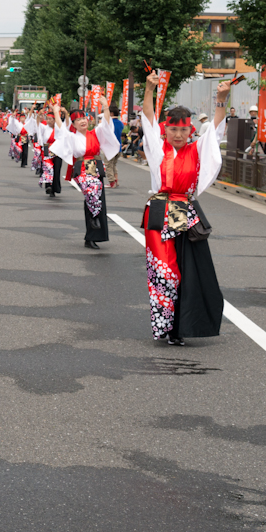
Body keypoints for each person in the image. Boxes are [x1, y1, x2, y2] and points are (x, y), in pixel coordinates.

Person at [140, 71, 229, 345]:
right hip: (159, 212)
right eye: (172, 129)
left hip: (185, 213)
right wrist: (148, 90)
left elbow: (214, 131)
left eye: (183, 129)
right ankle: (164, 326)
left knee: (189, 271)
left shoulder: (197, 149)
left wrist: (221, 100)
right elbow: (147, 117)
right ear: (165, 129)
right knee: (164, 272)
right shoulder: (157, 148)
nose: (178, 134)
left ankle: (182, 327)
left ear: (191, 130)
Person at [50, 96, 120, 250]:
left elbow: (107, 125)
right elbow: (61, 130)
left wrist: (106, 107)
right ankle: (94, 220)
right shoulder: (72, 137)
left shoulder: (96, 133)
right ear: (73, 124)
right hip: (82, 169)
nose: (82, 121)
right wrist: (56, 113)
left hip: (95, 167)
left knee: (96, 196)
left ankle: (93, 234)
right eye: (78, 120)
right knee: (92, 189)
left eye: (84, 118)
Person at [102, 104, 124, 188]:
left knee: (108, 165)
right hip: (118, 147)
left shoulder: (109, 123)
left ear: (110, 113)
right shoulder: (121, 123)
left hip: (110, 147)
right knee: (114, 164)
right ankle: (116, 180)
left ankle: (112, 182)